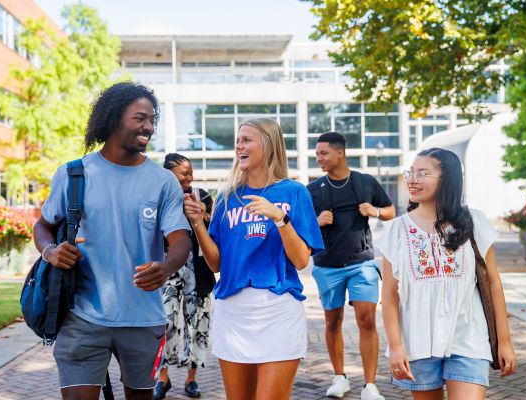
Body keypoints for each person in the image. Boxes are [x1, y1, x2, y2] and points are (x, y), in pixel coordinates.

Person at [33, 82, 191, 400]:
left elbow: (180, 240)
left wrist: (166, 266)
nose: (148, 126)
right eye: (140, 118)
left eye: (152, 119)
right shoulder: (73, 174)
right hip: (81, 316)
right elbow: (43, 226)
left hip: (143, 319)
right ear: (114, 118)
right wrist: (50, 252)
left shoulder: (163, 182)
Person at [183, 117, 324, 399]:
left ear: (269, 145)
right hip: (234, 311)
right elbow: (216, 264)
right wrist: (198, 223)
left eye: (246, 140)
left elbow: (300, 261)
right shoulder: (226, 197)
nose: (239, 147)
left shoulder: (294, 192)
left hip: (278, 309)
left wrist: (280, 218)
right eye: (237, 141)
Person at [378, 148, 516, 400]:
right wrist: (396, 347)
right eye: (411, 172)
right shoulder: (397, 230)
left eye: (423, 173)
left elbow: (494, 284)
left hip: (469, 339)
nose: (412, 179)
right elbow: (389, 295)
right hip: (418, 344)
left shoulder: (473, 221)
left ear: (447, 180)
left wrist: (504, 341)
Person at [307, 132, 395, 400]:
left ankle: (369, 386)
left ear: (339, 153)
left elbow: (391, 210)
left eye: (323, 153)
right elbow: (297, 226)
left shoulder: (365, 182)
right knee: (332, 321)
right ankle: (339, 378)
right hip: (327, 265)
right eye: (317, 154)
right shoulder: (312, 190)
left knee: (367, 320)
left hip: (361, 263)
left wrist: (376, 211)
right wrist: (316, 221)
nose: (319, 158)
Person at [154, 153, 215, 399]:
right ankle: (163, 378)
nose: (189, 178)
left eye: (191, 173)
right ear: (168, 173)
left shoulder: (204, 196)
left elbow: (216, 233)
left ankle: (191, 379)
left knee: (197, 325)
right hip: (168, 271)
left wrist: (203, 215)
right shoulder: (158, 197)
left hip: (199, 273)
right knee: (165, 323)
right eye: (184, 173)